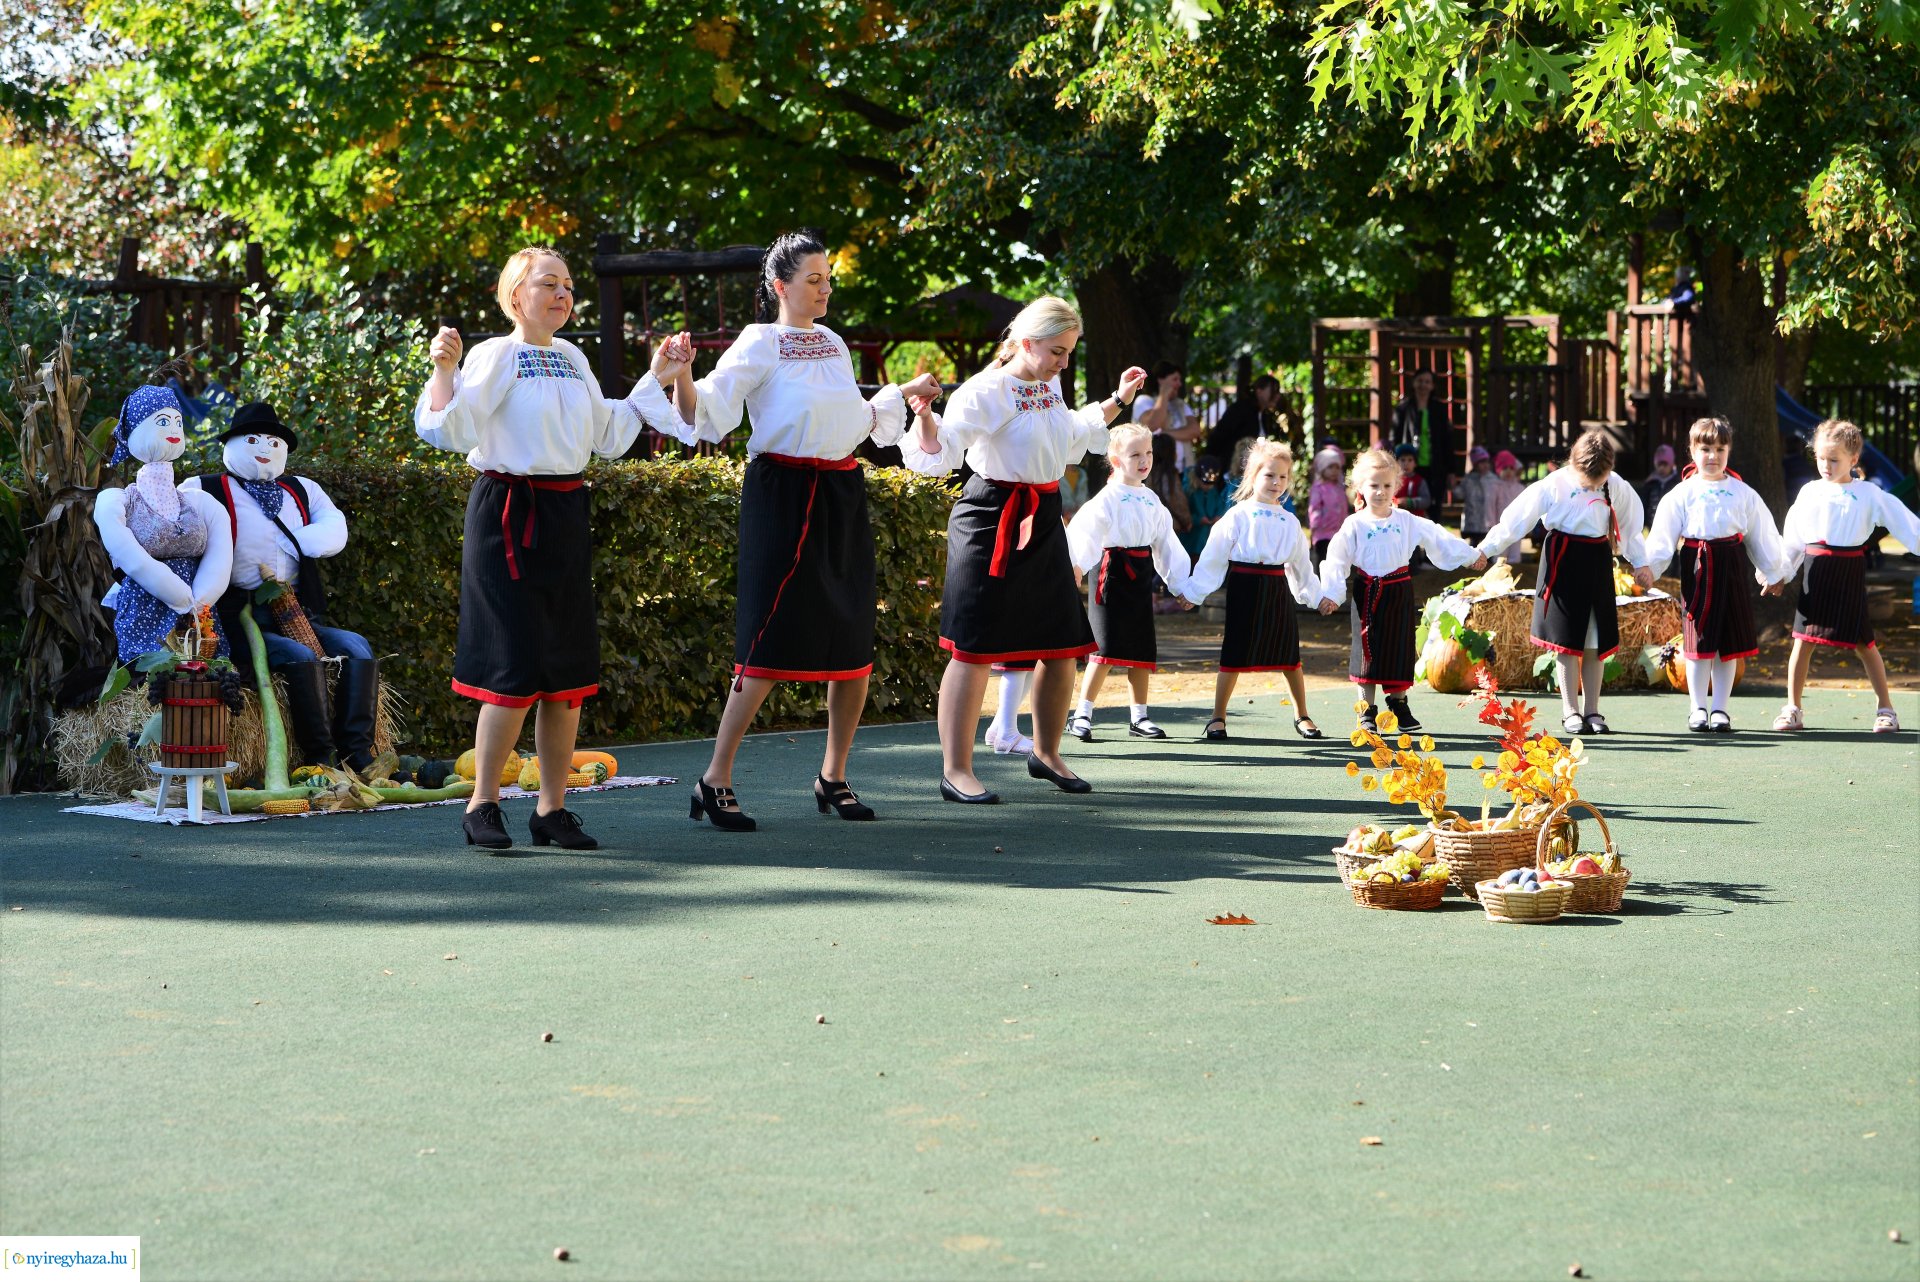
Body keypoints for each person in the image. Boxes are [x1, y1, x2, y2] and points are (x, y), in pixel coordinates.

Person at [657, 230, 944, 831]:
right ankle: (715, 777)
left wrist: (904, 393)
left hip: (841, 491)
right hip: (781, 494)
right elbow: (705, 410)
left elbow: (854, 418)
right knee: (766, 639)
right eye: (813, 280)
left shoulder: (833, 342)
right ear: (780, 286)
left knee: (852, 639)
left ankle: (833, 776)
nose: (824, 289)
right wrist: (681, 375)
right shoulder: (759, 341)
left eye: (828, 279)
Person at [416, 246, 691, 852]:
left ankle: (552, 809)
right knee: (512, 665)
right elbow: (453, 429)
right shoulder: (495, 354)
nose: (563, 294)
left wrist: (658, 377)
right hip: (506, 516)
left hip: (565, 512)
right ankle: (483, 804)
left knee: (566, 670)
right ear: (516, 295)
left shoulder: (571, 356)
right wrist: (444, 370)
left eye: (568, 285)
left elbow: (608, 433)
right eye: (549, 283)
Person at [899, 296, 1148, 803]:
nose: (1064, 362)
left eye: (1070, 352)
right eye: (1057, 351)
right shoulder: (985, 389)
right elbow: (943, 449)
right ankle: (956, 770)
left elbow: (1072, 433)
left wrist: (1119, 399)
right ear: (1027, 343)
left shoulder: (1048, 385)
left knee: (1061, 643)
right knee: (972, 648)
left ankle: (1047, 753)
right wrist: (924, 417)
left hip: (1044, 515)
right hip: (990, 518)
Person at [185, 402, 380, 771]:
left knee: (357, 646)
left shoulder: (301, 489)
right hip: (238, 614)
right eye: (253, 440)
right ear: (232, 444)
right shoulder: (203, 488)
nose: (264, 448)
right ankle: (321, 755)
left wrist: (299, 542)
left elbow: (333, 524)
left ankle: (358, 752)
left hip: (293, 609)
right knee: (300, 656)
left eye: (273, 442)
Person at [1476, 430, 1654, 737]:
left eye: (1599, 480)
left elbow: (1628, 528)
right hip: (1563, 561)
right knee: (1568, 641)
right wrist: (1486, 549)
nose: (1594, 486)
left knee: (1595, 641)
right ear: (1574, 463)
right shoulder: (1554, 484)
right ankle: (1570, 711)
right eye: (1588, 481)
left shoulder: (1615, 485)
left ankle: (1592, 710)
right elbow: (1516, 520)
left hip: (1597, 561)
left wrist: (1640, 563)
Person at [1765, 419, 1920, 734]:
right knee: (1802, 641)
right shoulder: (1809, 492)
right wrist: (1779, 573)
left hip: (1848, 573)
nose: (1826, 465)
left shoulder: (1869, 494)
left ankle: (1886, 709)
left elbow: (1903, 521)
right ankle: (1792, 708)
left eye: (1834, 459)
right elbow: (1793, 539)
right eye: (1821, 458)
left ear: (1854, 459)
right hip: (1815, 575)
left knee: (1865, 643)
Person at [1319, 449, 1485, 732]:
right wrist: (1332, 594)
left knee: (1399, 648)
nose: (1380, 491)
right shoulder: (1354, 524)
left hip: (1399, 591)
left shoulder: (1406, 520)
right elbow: (1337, 558)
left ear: (1396, 486)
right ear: (1360, 487)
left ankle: (1399, 703)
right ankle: (1366, 709)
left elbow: (1437, 536)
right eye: (1374, 485)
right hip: (1368, 591)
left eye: (1387, 485)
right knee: (1367, 650)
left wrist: (1469, 556)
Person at [1642, 416, 1789, 733]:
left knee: (1727, 642)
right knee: (1699, 642)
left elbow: (1761, 534)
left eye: (1720, 449)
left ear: (1729, 451)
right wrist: (1649, 569)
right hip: (1697, 567)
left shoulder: (1742, 493)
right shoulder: (1681, 493)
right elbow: (1662, 536)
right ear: (1692, 451)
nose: (1713, 455)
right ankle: (1697, 708)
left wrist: (1774, 571)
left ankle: (1720, 709)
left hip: (1731, 566)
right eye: (1706, 449)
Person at [1181, 440, 1323, 741]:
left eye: (1283, 476)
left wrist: (1316, 596)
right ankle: (1217, 716)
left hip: (1276, 589)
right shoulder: (1237, 515)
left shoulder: (1290, 521)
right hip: (1244, 588)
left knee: (1289, 655)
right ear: (1253, 475)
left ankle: (1302, 714)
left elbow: (1300, 564)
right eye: (1269, 475)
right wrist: (1193, 593)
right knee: (1233, 652)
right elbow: (1213, 557)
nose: (1276, 482)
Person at [1065, 425, 1192, 742]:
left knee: (1141, 647)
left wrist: (1180, 586)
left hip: (1140, 574)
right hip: (1110, 575)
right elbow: (1084, 534)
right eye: (1135, 454)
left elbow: (1166, 544)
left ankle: (1139, 717)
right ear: (1115, 459)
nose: (1144, 460)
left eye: (1148, 452)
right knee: (1104, 648)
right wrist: (1076, 566)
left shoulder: (1151, 499)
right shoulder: (1105, 499)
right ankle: (1082, 714)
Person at [94, 385, 234, 664]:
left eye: (177, 421)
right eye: (162, 421)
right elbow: (125, 552)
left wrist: (201, 600)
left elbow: (221, 551)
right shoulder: (118, 500)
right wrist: (176, 593)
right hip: (146, 607)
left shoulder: (198, 501)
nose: (172, 428)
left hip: (197, 612)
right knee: (154, 675)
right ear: (136, 432)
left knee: (201, 677)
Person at [1390, 368, 1455, 513]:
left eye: (1427, 382)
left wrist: (1451, 470)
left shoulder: (1440, 409)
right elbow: (1394, 439)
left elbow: (1447, 441)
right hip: (1409, 466)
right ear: (1413, 383)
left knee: (1434, 507)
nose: (1423, 385)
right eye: (1420, 381)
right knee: (1408, 508)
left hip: (1435, 466)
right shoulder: (1402, 409)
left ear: (1432, 386)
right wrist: (1394, 463)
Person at [1133, 361, 1203, 474]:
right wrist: (1164, 395)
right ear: (1161, 380)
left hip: (1183, 471)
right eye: (1175, 379)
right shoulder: (1144, 401)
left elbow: (1194, 431)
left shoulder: (1181, 404)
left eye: (1179, 380)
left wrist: (1163, 433)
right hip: (1154, 472)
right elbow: (1152, 425)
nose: (1179, 384)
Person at [1205, 374, 1281, 463]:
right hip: (1233, 465)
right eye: (1273, 391)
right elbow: (1219, 436)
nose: (1277, 396)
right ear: (1259, 391)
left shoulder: (1264, 415)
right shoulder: (1240, 410)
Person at [1181, 453, 1231, 561]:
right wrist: (1198, 519)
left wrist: (1218, 516)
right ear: (1197, 478)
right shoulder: (1188, 490)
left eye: (1211, 484)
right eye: (1205, 483)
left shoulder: (1213, 491)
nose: (1208, 487)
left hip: (1206, 543)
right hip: (1189, 542)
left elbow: (1219, 505)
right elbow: (1182, 514)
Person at [1306, 444, 1347, 568]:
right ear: (1322, 468)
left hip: (1338, 532)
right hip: (1322, 534)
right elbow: (1314, 508)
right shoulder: (1318, 488)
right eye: (1330, 467)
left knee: (1338, 562)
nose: (1334, 471)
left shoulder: (1339, 487)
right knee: (1323, 562)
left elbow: (1343, 507)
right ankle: (1321, 580)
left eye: (1337, 467)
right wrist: (1315, 527)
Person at [1487, 451, 1527, 565]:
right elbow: (1490, 507)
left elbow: (1525, 508)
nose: (1508, 471)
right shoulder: (1495, 487)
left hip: (1516, 526)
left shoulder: (1520, 488)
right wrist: (1490, 524)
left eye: (1511, 468)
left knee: (1515, 554)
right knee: (1499, 553)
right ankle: (1498, 573)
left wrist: (1525, 525)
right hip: (1499, 527)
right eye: (1505, 468)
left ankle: (1514, 573)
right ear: (1498, 469)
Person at [1455, 445, 1497, 545]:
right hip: (1472, 518)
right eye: (1481, 463)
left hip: (1488, 519)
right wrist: (1453, 488)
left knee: (1488, 543)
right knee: (1473, 543)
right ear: (1475, 465)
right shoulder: (1468, 479)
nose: (1485, 465)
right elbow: (1460, 494)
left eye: (1486, 462)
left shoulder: (1493, 480)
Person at [1641, 443, 1682, 514]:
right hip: (1652, 519)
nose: (1662, 468)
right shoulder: (1650, 483)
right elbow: (1644, 504)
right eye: (1659, 464)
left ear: (1671, 464)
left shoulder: (1678, 483)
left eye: (1665, 464)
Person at [1392, 442, 1432, 514]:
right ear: (1397, 463)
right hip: (1396, 517)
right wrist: (1394, 502)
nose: (1406, 463)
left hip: (1415, 518)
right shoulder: (1392, 480)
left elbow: (1426, 500)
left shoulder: (1420, 481)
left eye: (1410, 460)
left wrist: (1410, 502)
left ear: (1415, 463)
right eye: (1403, 460)